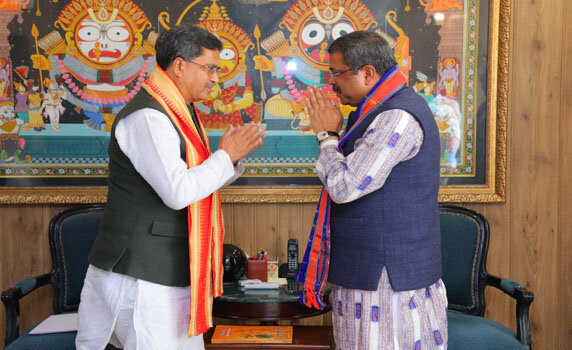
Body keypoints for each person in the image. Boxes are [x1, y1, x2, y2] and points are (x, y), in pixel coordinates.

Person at [75, 25, 265, 350]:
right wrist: (225, 156)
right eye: (210, 68)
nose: (216, 78)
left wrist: (228, 160)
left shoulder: (179, 111)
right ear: (179, 66)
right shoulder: (149, 117)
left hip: (169, 268)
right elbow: (178, 192)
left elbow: (195, 179)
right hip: (142, 275)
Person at [298, 30, 448, 349]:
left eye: (336, 73)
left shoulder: (397, 116)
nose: (332, 83)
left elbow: (345, 186)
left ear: (367, 72)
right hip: (373, 274)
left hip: (387, 281)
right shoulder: (375, 110)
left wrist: (326, 136)